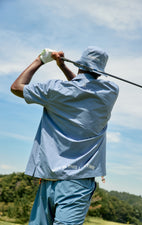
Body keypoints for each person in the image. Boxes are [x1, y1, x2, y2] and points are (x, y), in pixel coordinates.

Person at [11, 46, 119, 225]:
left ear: (79, 64)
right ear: (100, 71)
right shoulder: (109, 92)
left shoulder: (55, 90)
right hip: (78, 182)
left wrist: (41, 59)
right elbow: (83, 89)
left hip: (48, 179)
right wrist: (63, 68)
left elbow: (16, 87)